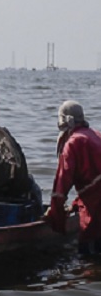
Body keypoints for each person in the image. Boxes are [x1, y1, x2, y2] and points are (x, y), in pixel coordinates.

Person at [46, 100, 101, 255]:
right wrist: (76, 204)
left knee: (88, 252)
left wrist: (56, 217)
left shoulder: (73, 143)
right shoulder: (95, 135)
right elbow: (93, 179)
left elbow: (61, 185)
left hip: (95, 207)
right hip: (95, 200)